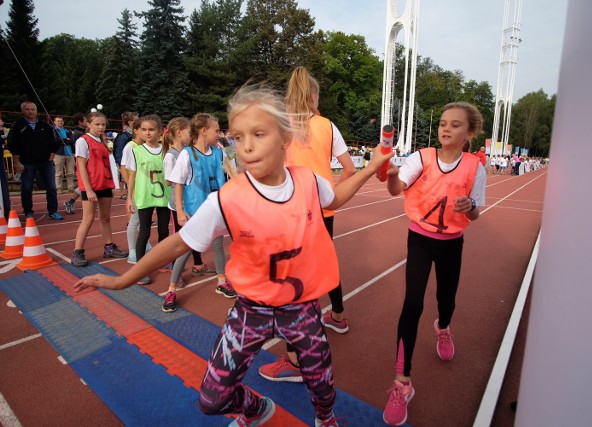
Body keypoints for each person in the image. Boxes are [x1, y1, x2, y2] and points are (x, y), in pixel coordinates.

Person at [74, 83, 393, 427]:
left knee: (322, 385)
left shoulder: (308, 181)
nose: (247, 146)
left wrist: (370, 167)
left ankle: (325, 418)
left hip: (300, 308)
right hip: (250, 310)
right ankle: (255, 409)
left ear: (286, 138)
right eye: (238, 137)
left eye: (258, 133)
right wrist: (122, 280)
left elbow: (334, 198)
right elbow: (180, 242)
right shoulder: (228, 198)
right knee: (212, 399)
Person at [381, 102, 486, 426]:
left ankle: (443, 327)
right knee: (412, 303)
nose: (446, 128)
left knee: (446, 301)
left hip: (451, 244)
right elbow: (396, 189)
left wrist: (468, 206)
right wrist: (394, 177)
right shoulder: (422, 157)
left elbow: (476, 212)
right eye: (442, 123)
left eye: (455, 125)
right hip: (420, 239)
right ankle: (403, 382)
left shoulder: (474, 167)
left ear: (469, 133)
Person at [259, 65, 357, 384]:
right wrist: (332, 194)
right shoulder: (327, 126)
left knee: (290, 279)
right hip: (322, 208)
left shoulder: (281, 125)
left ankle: (294, 359)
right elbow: (349, 168)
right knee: (324, 263)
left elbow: (268, 166)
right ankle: (338, 316)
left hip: (288, 210)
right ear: (314, 95)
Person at [168, 113, 235, 305]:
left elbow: (231, 173)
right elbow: (178, 184)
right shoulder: (186, 154)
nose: (219, 133)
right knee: (186, 249)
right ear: (204, 131)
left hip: (215, 209)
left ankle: (221, 281)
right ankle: (171, 288)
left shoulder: (219, 152)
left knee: (218, 246)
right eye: (216, 130)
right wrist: (180, 211)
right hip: (195, 210)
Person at [70, 112, 128, 267]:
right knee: (88, 219)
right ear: (88, 124)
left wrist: (112, 183)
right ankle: (77, 252)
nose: (101, 127)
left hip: (105, 185)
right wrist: (88, 189)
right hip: (92, 186)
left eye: (103, 124)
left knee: (106, 218)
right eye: (97, 124)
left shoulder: (102, 140)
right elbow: (81, 166)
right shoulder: (83, 141)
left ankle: (109, 248)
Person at [126, 114, 170, 285]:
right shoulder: (135, 151)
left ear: (159, 131)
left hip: (163, 196)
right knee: (144, 231)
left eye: (151, 129)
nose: (147, 133)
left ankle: (162, 260)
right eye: (144, 129)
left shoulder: (166, 150)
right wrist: (129, 198)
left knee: (164, 231)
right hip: (144, 196)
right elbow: (132, 176)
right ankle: (140, 268)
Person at [7, 101, 63, 220]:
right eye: (27, 109)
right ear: (22, 111)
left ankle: (53, 211)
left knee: (51, 187)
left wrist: (50, 158)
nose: (30, 111)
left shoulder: (46, 125)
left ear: (37, 111)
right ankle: (28, 212)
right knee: (26, 188)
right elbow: (12, 145)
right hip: (26, 162)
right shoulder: (17, 126)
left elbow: (55, 142)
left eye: (33, 109)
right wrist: (17, 161)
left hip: (45, 162)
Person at [160, 116, 191, 312]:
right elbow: (170, 181)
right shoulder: (171, 155)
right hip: (176, 203)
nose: (191, 135)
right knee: (180, 239)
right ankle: (175, 271)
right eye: (189, 132)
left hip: (189, 200)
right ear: (179, 133)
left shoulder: (186, 152)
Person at [63, 113, 88, 214]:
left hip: (85, 160)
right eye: (85, 121)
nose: (87, 122)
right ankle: (70, 201)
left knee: (87, 184)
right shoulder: (79, 134)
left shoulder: (81, 132)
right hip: (84, 161)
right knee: (85, 184)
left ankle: (71, 201)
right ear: (80, 122)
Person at [113, 111, 139, 198]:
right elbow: (119, 153)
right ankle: (124, 193)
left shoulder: (135, 135)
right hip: (126, 166)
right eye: (137, 120)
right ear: (130, 122)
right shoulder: (124, 137)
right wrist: (121, 166)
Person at [52, 116, 75, 193]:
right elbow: (57, 141)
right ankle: (59, 188)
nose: (60, 122)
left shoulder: (67, 130)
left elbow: (72, 140)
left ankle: (71, 188)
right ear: (54, 122)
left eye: (61, 121)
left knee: (71, 172)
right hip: (59, 153)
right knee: (59, 173)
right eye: (58, 121)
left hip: (70, 153)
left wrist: (64, 140)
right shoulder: (53, 130)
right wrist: (67, 140)